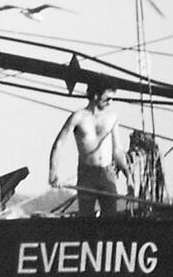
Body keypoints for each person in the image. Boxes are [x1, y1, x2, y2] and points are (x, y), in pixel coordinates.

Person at [49, 83, 128, 217]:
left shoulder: (112, 118)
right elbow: (59, 144)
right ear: (96, 96)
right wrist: (53, 173)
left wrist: (128, 176)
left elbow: (118, 150)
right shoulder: (78, 117)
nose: (111, 102)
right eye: (108, 99)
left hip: (107, 172)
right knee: (86, 218)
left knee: (111, 217)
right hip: (87, 173)